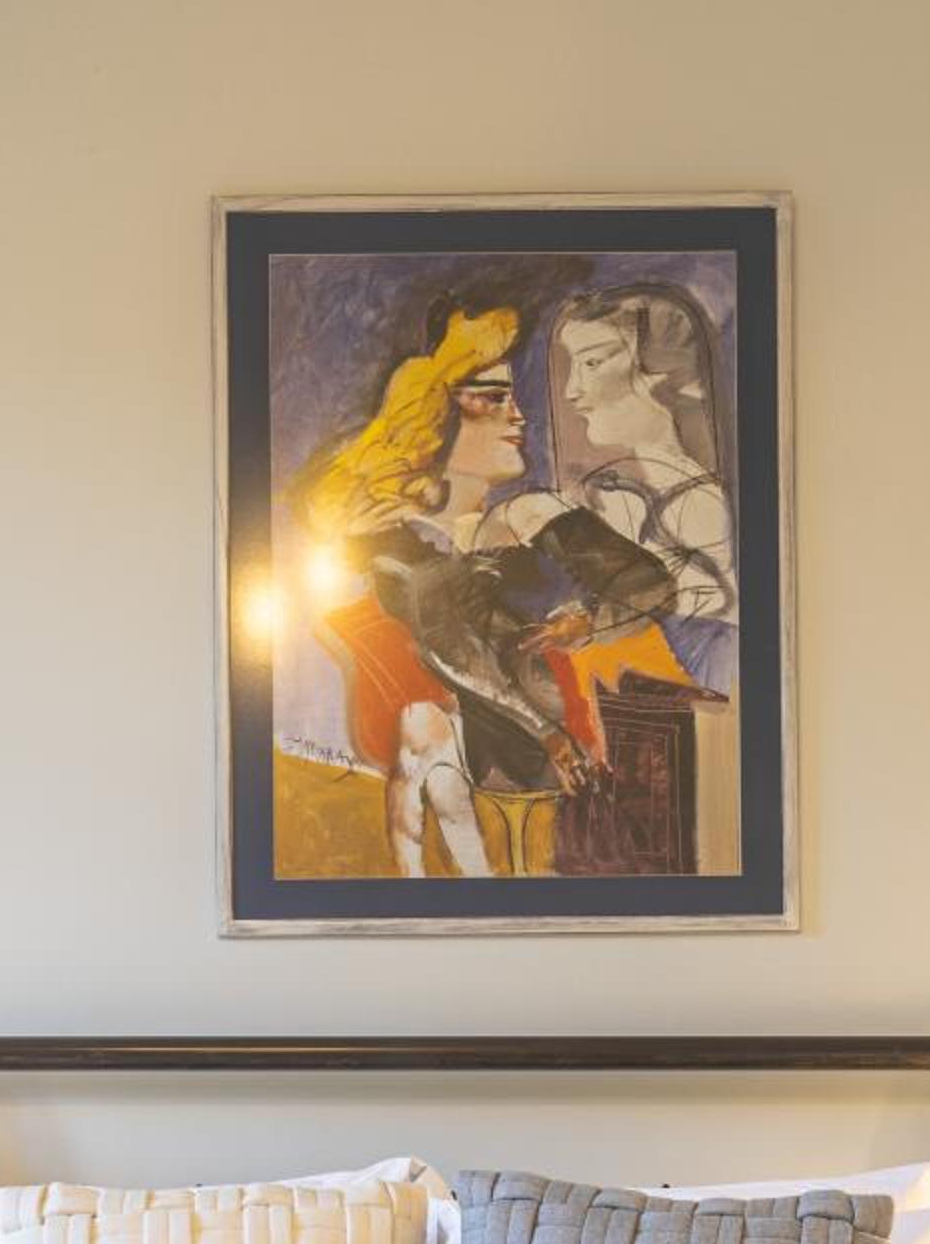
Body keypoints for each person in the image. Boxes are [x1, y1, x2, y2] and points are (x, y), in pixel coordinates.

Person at [296, 304, 673, 875]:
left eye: (512, 396)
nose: (518, 415)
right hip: (480, 755)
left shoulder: (531, 513)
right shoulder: (399, 545)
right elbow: (452, 648)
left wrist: (590, 619)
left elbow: (651, 584)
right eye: (492, 398)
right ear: (436, 419)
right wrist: (546, 734)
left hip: (563, 758)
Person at [549, 284, 740, 691]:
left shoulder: (702, 507)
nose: (572, 391)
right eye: (574, 365)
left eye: (592, 362)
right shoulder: (618, 499)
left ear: (662, 370)